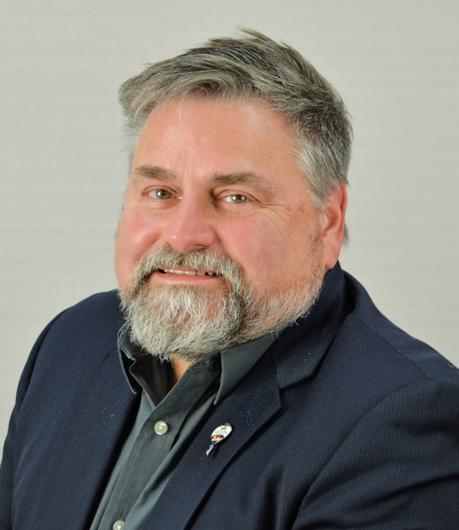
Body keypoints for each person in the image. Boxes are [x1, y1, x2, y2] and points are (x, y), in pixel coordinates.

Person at [0, 30, 458, 530]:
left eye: (236, 197)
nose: (183, 235)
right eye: (160, 192)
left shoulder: (400, 421)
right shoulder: (69, 343)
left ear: (328, 220)